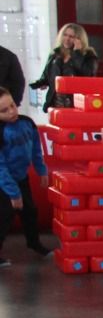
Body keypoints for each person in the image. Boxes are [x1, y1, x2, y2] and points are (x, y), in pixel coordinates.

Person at [0, 87, 48, 265]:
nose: (12, 111)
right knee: (5, 216)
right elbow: (1, 167)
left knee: (30, 211)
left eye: (12, 105)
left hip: (21, 178)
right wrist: (13, 193)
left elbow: (36, 148)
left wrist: (41, 170)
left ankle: (34, 243)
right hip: (4, 183)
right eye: (4, 110)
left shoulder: (27, 123)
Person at [30, 23, 98, 110]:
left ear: (79, 39)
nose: (67, 39)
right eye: (65, 35)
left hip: (76, 102)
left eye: (71, 36)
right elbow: (47, 75)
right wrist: (40, 83)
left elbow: (87, 74)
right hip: (55, 102)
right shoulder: (55, 54)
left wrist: (77, 53)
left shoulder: (88, 55)